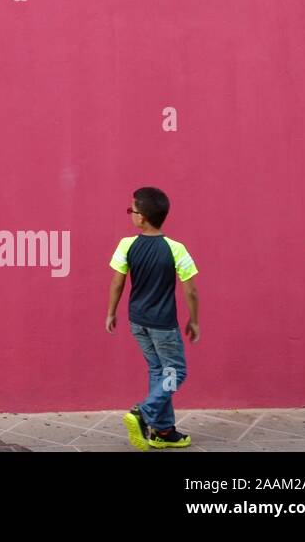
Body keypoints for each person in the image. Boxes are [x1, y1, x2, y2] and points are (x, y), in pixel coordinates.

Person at [106, 187, 199, 450]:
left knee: (161, 371)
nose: (130, 215)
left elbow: (117, 282)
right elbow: (190, 289)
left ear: (142, 217)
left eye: (131, 210)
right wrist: (194, 319)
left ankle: (162, 430)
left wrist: (111, 312)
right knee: (176, 371)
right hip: (163, 325)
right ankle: (143, 413)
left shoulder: (127, 244)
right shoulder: (175, 249)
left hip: (138, 322)